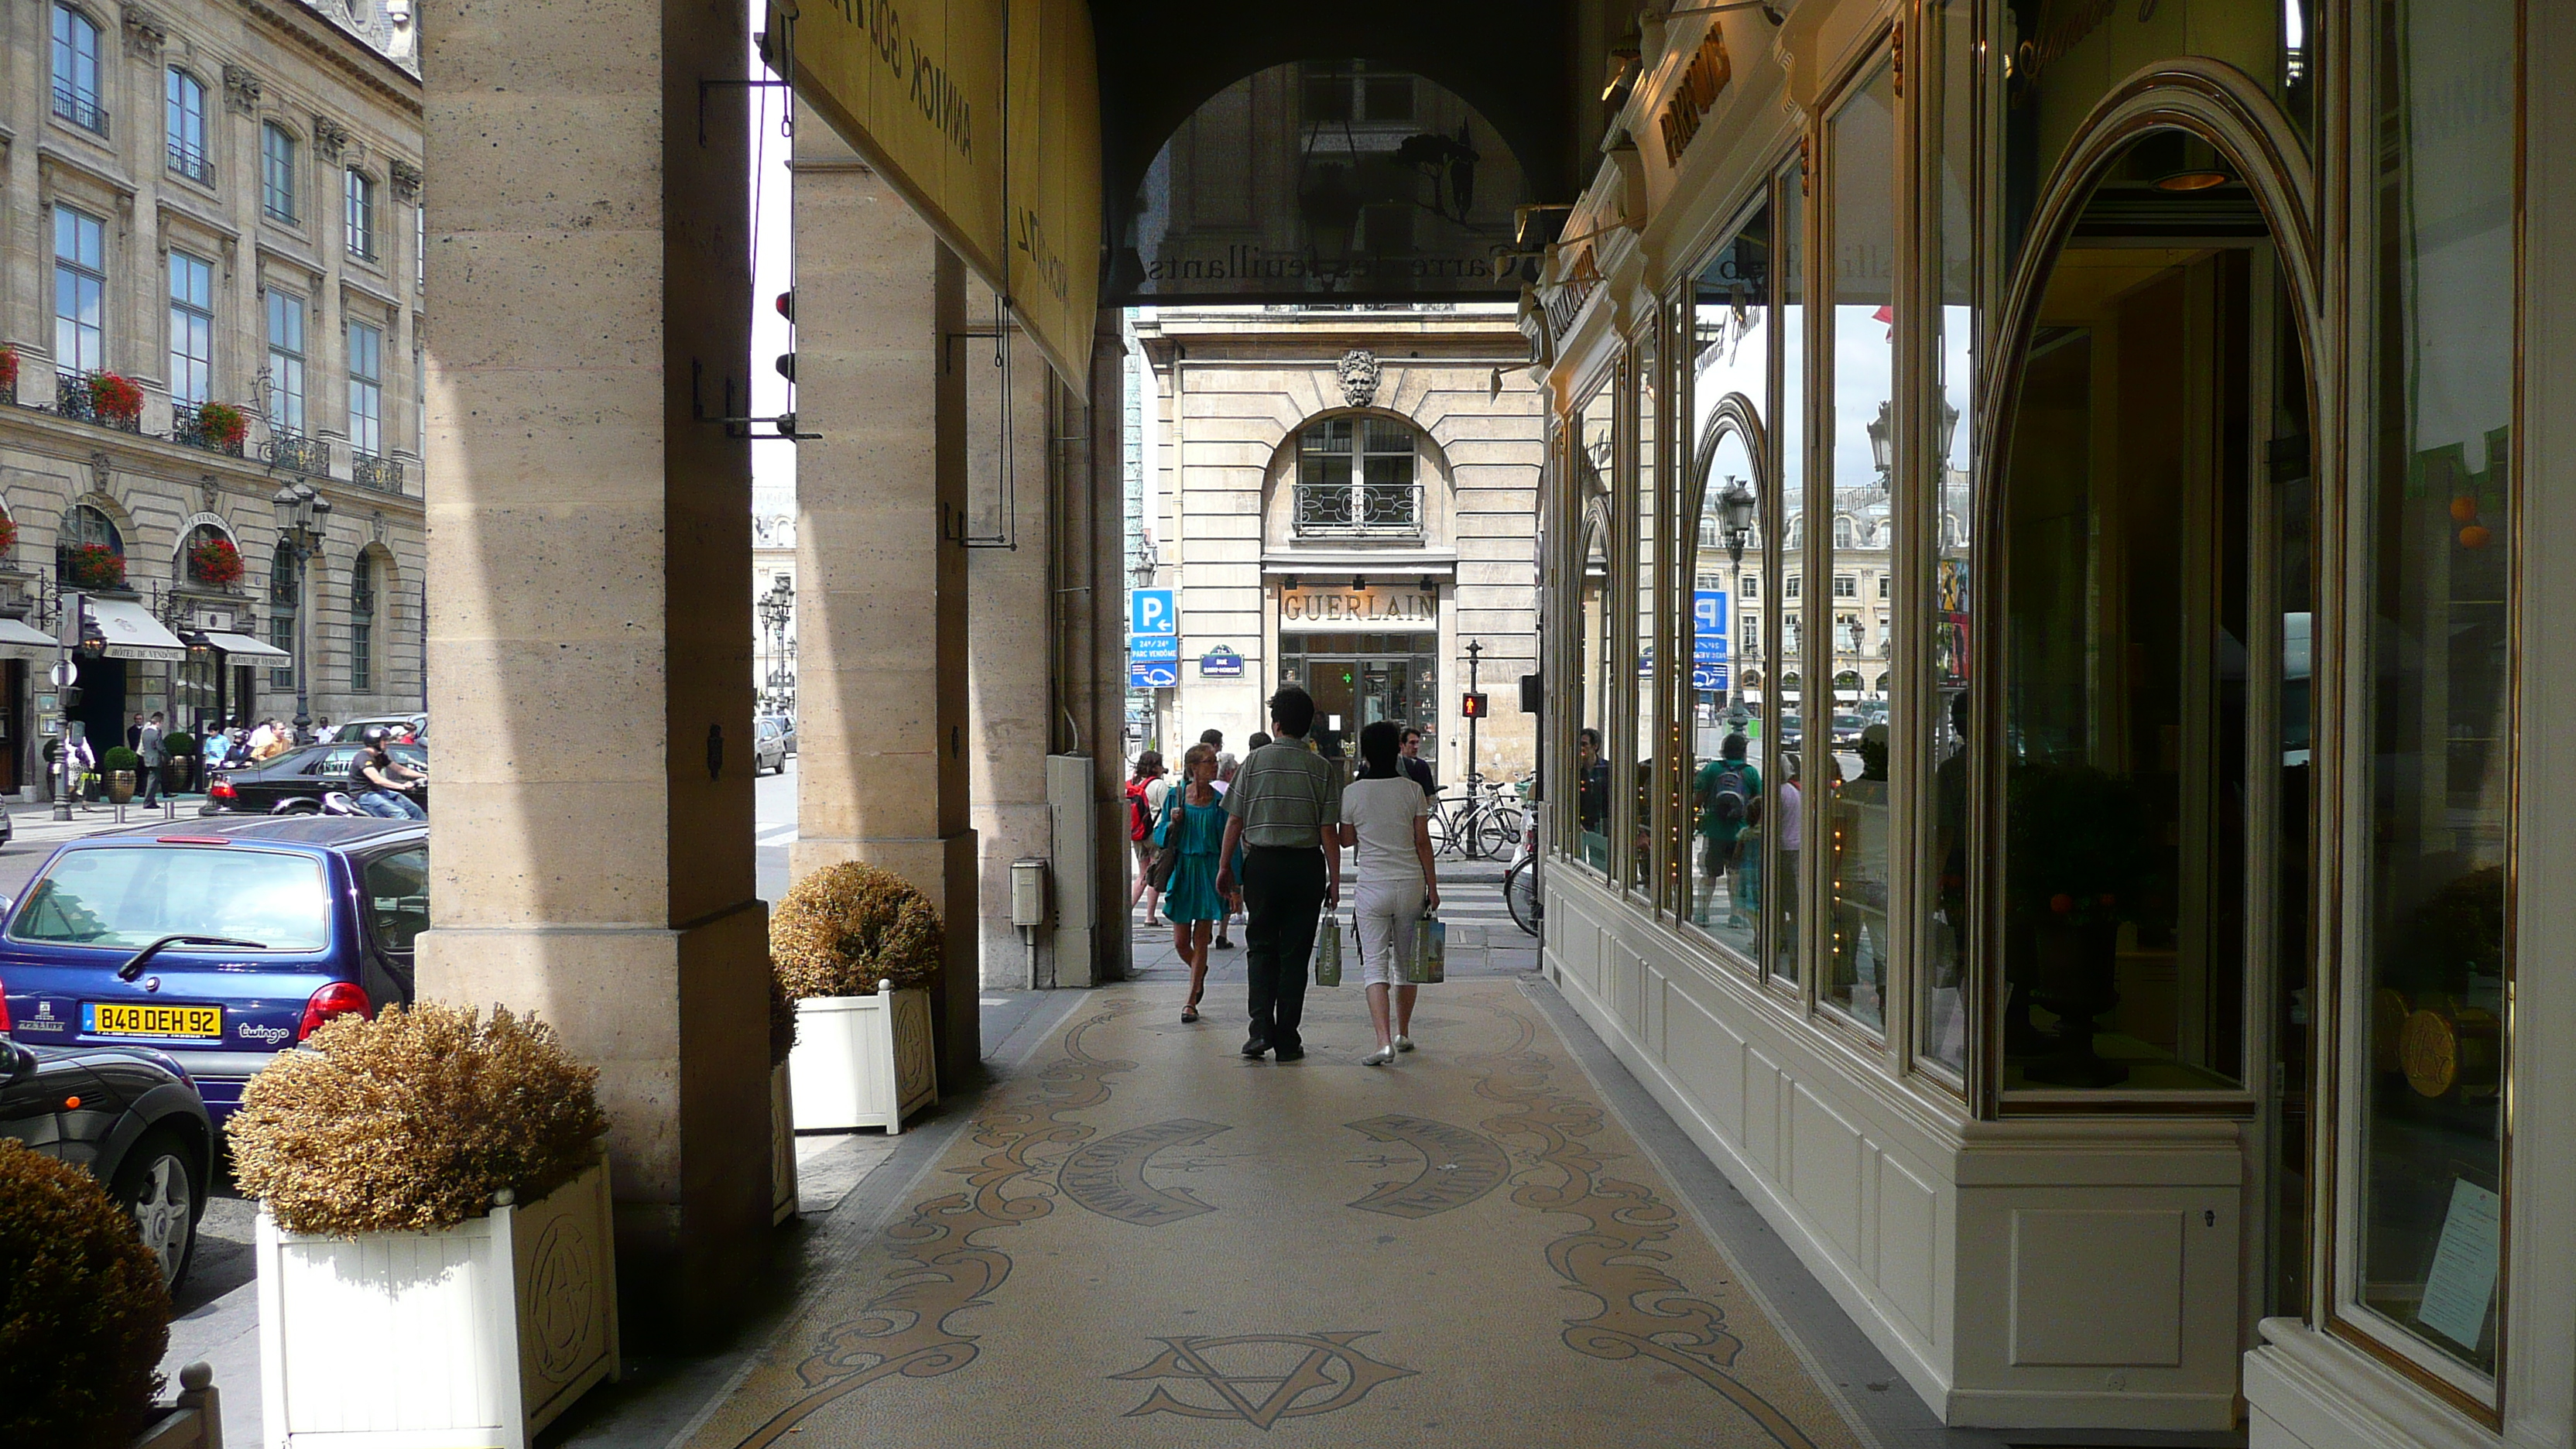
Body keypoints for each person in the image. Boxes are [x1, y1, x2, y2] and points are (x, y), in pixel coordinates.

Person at [1214, 685, 1340, 1062]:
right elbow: (1328, 832)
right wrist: (1335, 880)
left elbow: (1234, 820)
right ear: (1307, 727)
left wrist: (1225, 868)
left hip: (1263, 866)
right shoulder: (1321, 768)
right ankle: (1288, 1038)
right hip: (1306, 868)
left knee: (1262, 947)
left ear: (1277, 723)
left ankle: (1258, 1031)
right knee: (1295, 953)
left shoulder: (1253, 763)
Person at [1338, 721, 1439, 1065]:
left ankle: (1382, 1042)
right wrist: (1433, 888)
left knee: (1374, 967)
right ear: (1398, 749)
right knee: (1406, 965)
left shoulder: (1353, 793)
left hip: (1372, 886)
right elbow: (1423, 842)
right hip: (1410, 883)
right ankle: (1403, 1032)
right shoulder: (1412, 790)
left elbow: (1346, 840)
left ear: (1365, 753)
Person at [1156, 744, 1230, 1023]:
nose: (1214, 766)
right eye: (1209, 762)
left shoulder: (1219, 800)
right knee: (1180, 941)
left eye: (1215, 761)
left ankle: (1190, 1000)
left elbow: (1227, 842)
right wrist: (1172, 824)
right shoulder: (1176, 797)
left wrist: (1232, 884)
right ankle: (1199, 972)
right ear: (1193, 767)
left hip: (1209, 870)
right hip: (1184, 869)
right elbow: (1159, 834)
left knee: (1202, 938)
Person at [1692, 732, 1759, 927]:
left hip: (1714, 831)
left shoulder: (1712, 769)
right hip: (1739, 833)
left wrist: (1694, 819)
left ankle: (1703, 914)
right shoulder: (1751, 773)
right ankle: (1735, 916)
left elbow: (1698, 798)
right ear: (1743, 751)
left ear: (1723, 750)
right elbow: (1759, 803)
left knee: (1709, 874)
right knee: (1735, 874)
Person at [1124, 752, 1170, 916]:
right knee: (1154, 873)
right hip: (1154, 835)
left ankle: (1126, 911)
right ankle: (1150, 915)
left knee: (1143, 874)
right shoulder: (1159, 785)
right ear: (1156, 767)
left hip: (1137, 834)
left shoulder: (1133, 783)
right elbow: (1168, 809)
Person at [354, 727, 427, 818]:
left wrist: (424, 775)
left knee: (415, 810)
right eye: (384, 740)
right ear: (374, 742)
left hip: (379, 791)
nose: (387, 743)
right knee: (399, 813)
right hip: (365, 795)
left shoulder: (380, 756)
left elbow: (402, 770)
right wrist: (401, 786)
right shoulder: (364, 757)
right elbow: (377, 779)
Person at [1398, 726, 1437, 798]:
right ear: (1402, 744)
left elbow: (1429, 795)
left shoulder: (1422, 766)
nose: (1416, 747)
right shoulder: (1396, 765)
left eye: (1417, 742)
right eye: (1412, 743)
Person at [137, 712, 165, 807]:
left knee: (153, 781)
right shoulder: (156, 733)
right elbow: (160, 747)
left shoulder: (145, 732)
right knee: (152, 781)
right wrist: (168, 757)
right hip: (155, 759)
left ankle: (152, 801)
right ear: (158, 722)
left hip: (147, 758)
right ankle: (148, 801)